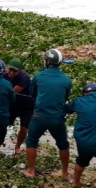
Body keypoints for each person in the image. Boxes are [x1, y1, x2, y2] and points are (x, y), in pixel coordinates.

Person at [24, 49, 73, 179]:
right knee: (63, 143)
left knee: (31, 141)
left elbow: (33, 93)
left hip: (39, 116)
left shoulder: (39, 76)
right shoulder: (66, 80)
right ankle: (65, 172)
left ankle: (31, 170)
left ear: (47, 61)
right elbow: (65, 97)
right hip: (57, 117)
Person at [0, 58, 34, 154]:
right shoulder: (5, 75)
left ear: (20, 71)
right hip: (13, 104)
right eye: (10, 69)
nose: (11, 72)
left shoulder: (24, 78)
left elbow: (13, 92)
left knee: (24, 128)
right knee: (1, 123)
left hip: (26, 106)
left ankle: (17, 146)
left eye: (14, 71)